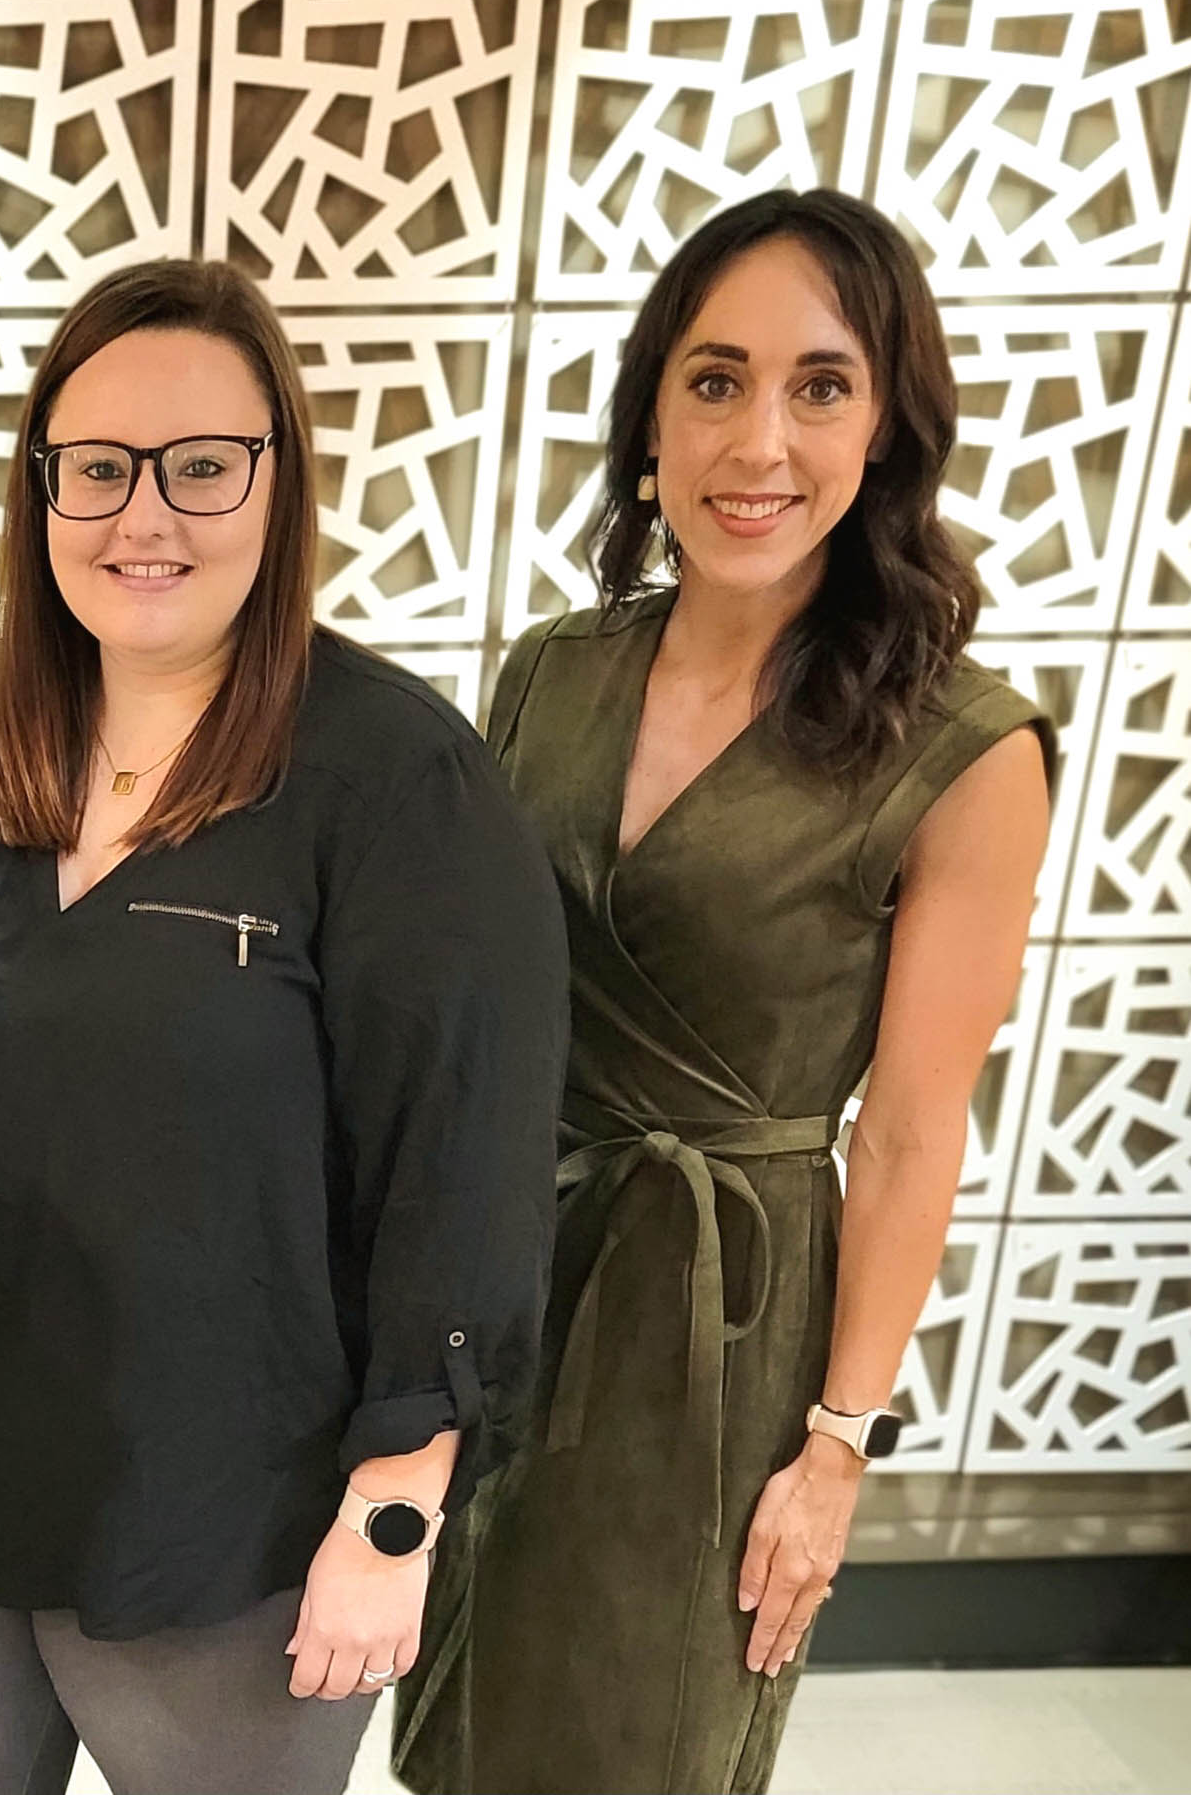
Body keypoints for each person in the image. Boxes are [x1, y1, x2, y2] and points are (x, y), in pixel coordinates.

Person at [0, 257, 569, 1795]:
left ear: (280, 483)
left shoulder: (398, 784)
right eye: (97, 470)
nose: (144, 517)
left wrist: (393, 1515)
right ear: (39, 493)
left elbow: (465, 1174)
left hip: (239, 1527)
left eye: (203, 467)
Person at [393, 188, 1054, 1795]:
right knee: (452, 1729)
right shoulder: (554, 667)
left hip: (720, 1324)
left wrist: (836, 1449)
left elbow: (908, 1138)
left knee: (641, 1742)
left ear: (887, 428)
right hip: (510, 1270)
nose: (760, 440)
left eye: (820, 385)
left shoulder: (963, 748)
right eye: (716, 378)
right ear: (652, 418)